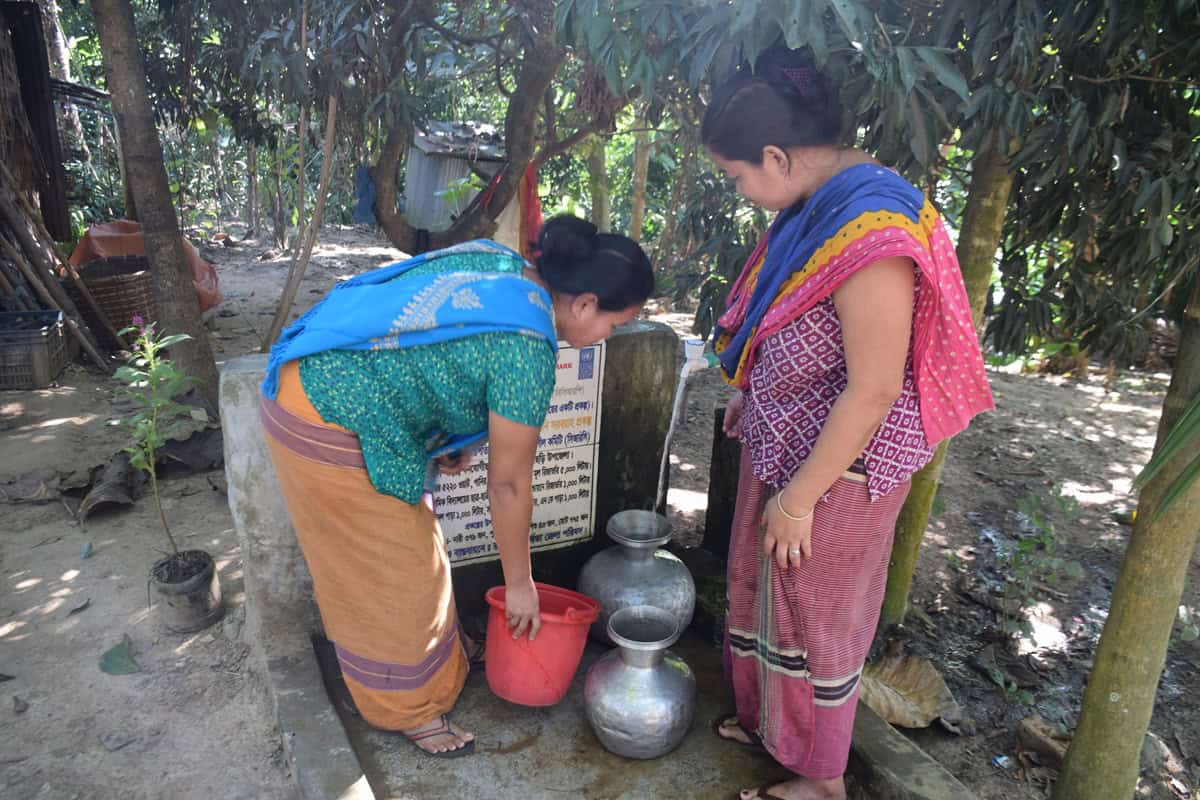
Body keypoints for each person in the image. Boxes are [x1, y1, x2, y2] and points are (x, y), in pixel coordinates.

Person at [701, 48, 993, 800]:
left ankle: (821, 777)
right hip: (789, 439)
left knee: (817, 613)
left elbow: (872, 387)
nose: (742, 193)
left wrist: (799, 499)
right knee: (759, 587)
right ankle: (773, 724)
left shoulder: (872, 229)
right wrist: (756, 393)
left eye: (738, 179)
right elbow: (794, 319)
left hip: (844, 465)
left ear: (776, 156)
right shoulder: (818, 203)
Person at [259, 216, 653, 757]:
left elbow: (437, 352)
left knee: (422, 554)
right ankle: (407, 708)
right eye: (617, 323)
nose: (610, 336)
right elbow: (509, 486)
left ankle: (444, 656)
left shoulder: (508, 269)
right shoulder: (529, 349)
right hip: (327, 412)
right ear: (584, 304)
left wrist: (451, 438)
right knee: (390, 573)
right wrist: (521, 584)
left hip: (333, 381)